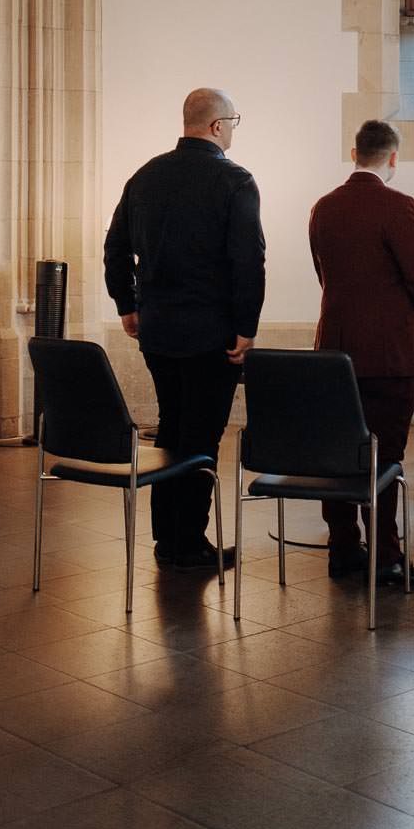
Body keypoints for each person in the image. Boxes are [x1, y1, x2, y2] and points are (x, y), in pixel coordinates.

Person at [104, 87, 265, 572]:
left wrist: (127, 306)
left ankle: (167, 540)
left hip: (157, 330)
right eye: (233, 120)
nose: (233, 128)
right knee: (200, 437)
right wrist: (246, 327)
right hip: (211, 333)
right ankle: (190, 544)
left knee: (171, 429)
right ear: (217, 126)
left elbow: (115, 247)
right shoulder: (234, 180)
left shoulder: (145, 177)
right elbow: (248, 261)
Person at [309, 119, 414, 586]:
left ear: (353, 153)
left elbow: (323, 274)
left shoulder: (323, 207)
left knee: (340, 451)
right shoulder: (397, 204)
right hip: (388, 354)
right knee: (386, 454)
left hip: (334, 350)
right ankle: (385, 555)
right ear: (393, 157)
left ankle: (343, 548)